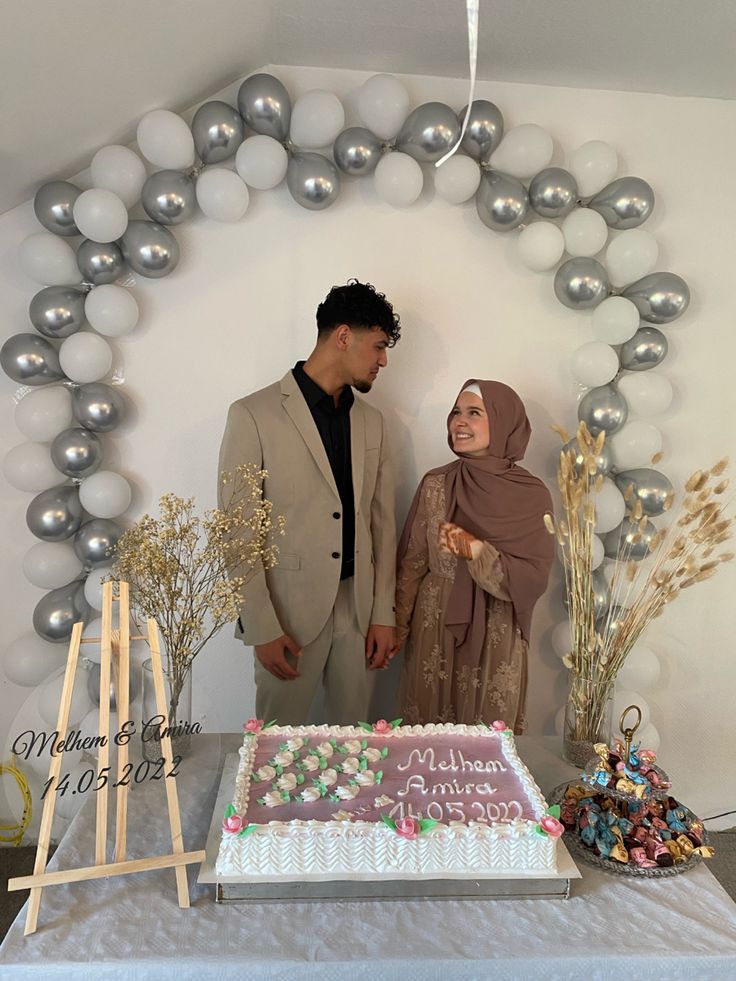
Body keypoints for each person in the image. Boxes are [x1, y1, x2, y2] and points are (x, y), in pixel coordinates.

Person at [218, 280, 400, 725]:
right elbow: (238, 529)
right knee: (275, 752)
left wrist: (382, 614)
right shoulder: (252, 414)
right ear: (343, 337)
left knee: (356, 748)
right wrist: (260, 625)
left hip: (357, 612)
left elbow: (383, 525)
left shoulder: (372, 422)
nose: (383, 360)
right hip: (288, 614)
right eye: (377, 346)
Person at [394, 379, 554, 734]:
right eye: (455, 412)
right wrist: (396, 628)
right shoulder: (436, 483)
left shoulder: (531, 495)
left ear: (503, 421)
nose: (459, 422)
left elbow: (534, 577)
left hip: (497, 626)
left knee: (487, 747)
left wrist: (477, 551)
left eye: (474, 413)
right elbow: (412, 563)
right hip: (434, 624)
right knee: (426, 744)